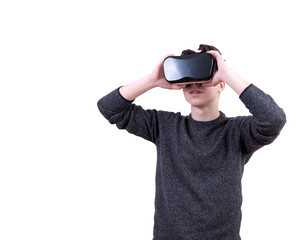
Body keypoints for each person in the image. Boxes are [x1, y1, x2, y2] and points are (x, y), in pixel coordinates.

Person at [97, 44, 286, 240]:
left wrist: (227, 74)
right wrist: (152, 80)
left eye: (203, 78)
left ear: (221, 84)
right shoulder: (165, 126)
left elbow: (274, 119)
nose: (195, 84)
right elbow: (109, 107)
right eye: (189, 79)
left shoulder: (238, 132)